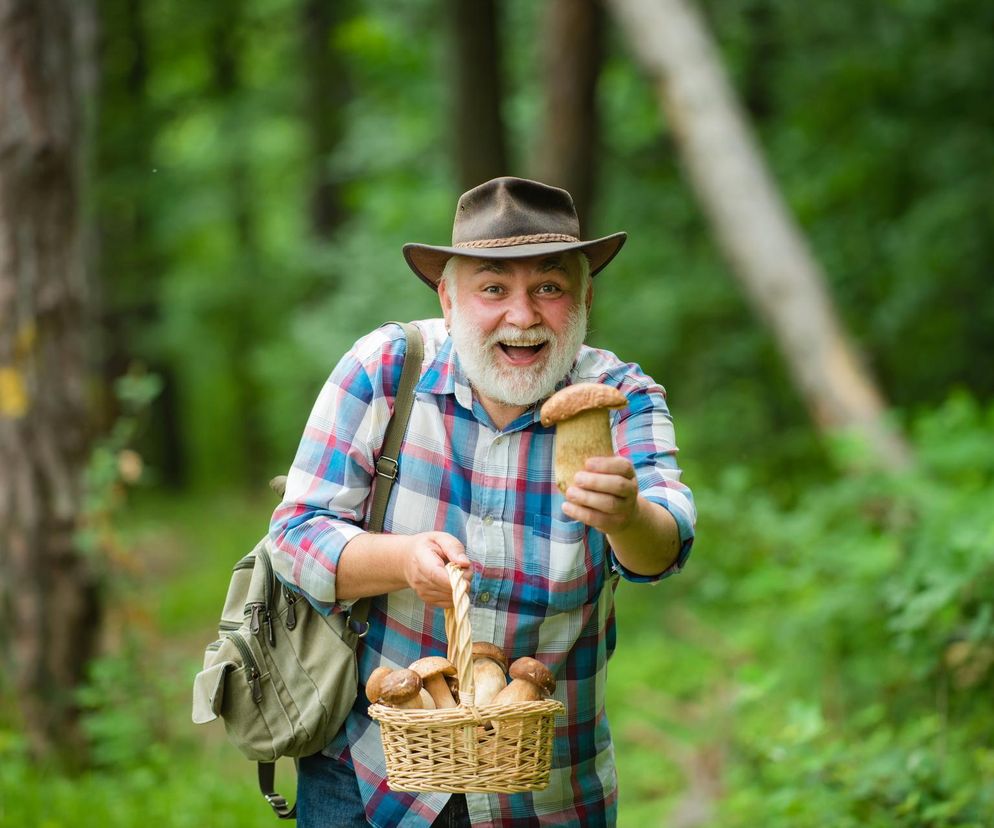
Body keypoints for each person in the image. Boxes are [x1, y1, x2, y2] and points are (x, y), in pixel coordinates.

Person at [269, 176, 696, 827]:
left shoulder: (621, 398)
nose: (522, 317)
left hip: (548, 791)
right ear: (448, 297)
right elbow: (293, 538)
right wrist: (403, 560)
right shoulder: (386, 369)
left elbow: (663, 548)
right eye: (493, 288)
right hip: (368, 773)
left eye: (549, 288)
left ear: (584, 296)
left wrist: (627, 516)